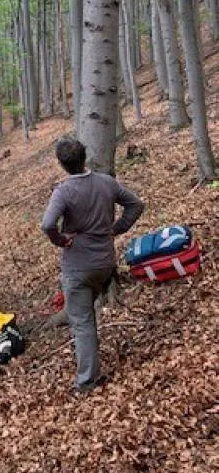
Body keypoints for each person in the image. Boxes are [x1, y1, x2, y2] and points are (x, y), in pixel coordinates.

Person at [41, 136, 145, 394]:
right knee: (86, 316)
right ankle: (90, 367)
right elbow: (136, 204)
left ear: (62, 164)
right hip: (105, 264)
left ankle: (88, 382)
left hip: (78, 267)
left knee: (83, 323)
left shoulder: (64, 191)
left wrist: (61, 241)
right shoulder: (105, 182)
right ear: (84, 157)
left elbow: (47, 225)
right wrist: (117, 228)